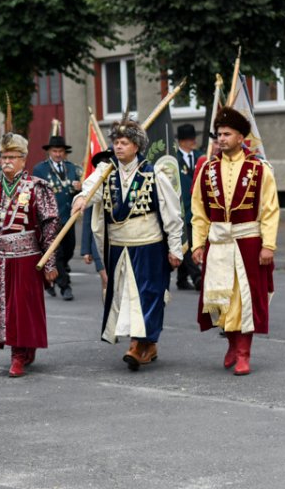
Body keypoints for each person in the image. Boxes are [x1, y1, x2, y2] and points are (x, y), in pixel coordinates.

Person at [71, 115, 183, 370]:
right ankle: (142, 343)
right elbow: (90, 187)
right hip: (119, 247)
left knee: (147, 295)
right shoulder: (106, 171)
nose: (118, 147)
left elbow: (172, 215)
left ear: (136, 146)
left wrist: (175, 248)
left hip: (149, 245)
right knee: (124, 295)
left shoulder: (154, 174)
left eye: (123, 142)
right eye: (116, 142)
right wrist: (82, 198)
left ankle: (141, 343)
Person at [191, 107, 279, 375]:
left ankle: (243, 353)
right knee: (221, 299)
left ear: (241, 137)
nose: (221, 139)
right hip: (217, 244)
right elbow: (199, 210)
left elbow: (270, 209)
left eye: (227, 134)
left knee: (245, 299)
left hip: (247, 242)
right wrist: (197, 244)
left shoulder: (259, 169)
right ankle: (231, 342)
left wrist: (268, 245)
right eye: (218, 134)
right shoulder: (207, 169)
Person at [0, 133, 58, 377]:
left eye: (12, 157)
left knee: (23, 308)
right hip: (0, 258)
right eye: (3, 157)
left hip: (27, 258)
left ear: (23, 159)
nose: (6, 161)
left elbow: (49, 226)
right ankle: (20, 349)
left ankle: (20, 354)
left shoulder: (37, 187)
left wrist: (49, 262)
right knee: (4, 308)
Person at [31, 133, 81, 300]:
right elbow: (36, 193)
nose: (58, 154)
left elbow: (81, 191)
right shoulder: (40, 169)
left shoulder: (72, 168)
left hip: (69, 217)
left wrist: (80, 187)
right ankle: (64, 286)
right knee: (57, 253)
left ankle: (50, 277)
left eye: (61, 151)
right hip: (50, 219)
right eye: (55, 151)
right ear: (49, 152)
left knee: (69, 251)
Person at [175, 124, 202, 291]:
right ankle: (197, 276)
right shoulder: (173, 160)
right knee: (187, 242)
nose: (193, 141)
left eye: (194, 138)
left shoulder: (200, 157)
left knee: (191, 242)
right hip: (181, 209)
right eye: (190, 139)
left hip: (197, 208)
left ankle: (181, 278)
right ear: (182, 141)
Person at [80, 150, 111, 300]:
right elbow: (87, 220)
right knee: (106, 280)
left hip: (118, 241)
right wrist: (86, 249)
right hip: (99, 242)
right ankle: (108, 312)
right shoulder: (96, 187)